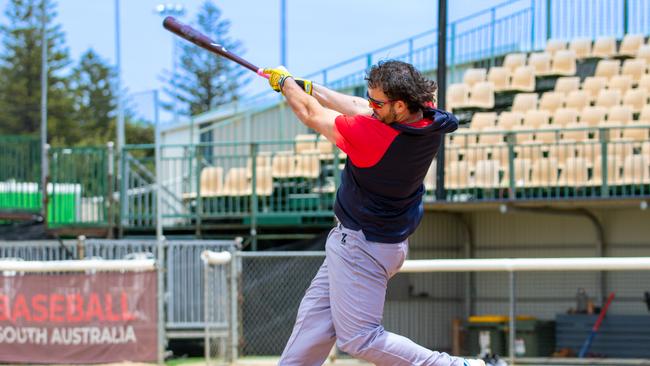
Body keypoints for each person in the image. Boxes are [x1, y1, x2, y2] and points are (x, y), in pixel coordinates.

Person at [263, 60, 484, 366]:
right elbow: (360, 107)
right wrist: (310, 87)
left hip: (362, 245)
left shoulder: (377, 138)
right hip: (373, 241)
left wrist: (286, 83)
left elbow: (310, 113)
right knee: (313, 326)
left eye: (378, 102)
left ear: (401, 105)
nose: (372, 107)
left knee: (359, 338)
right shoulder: (428, 116)